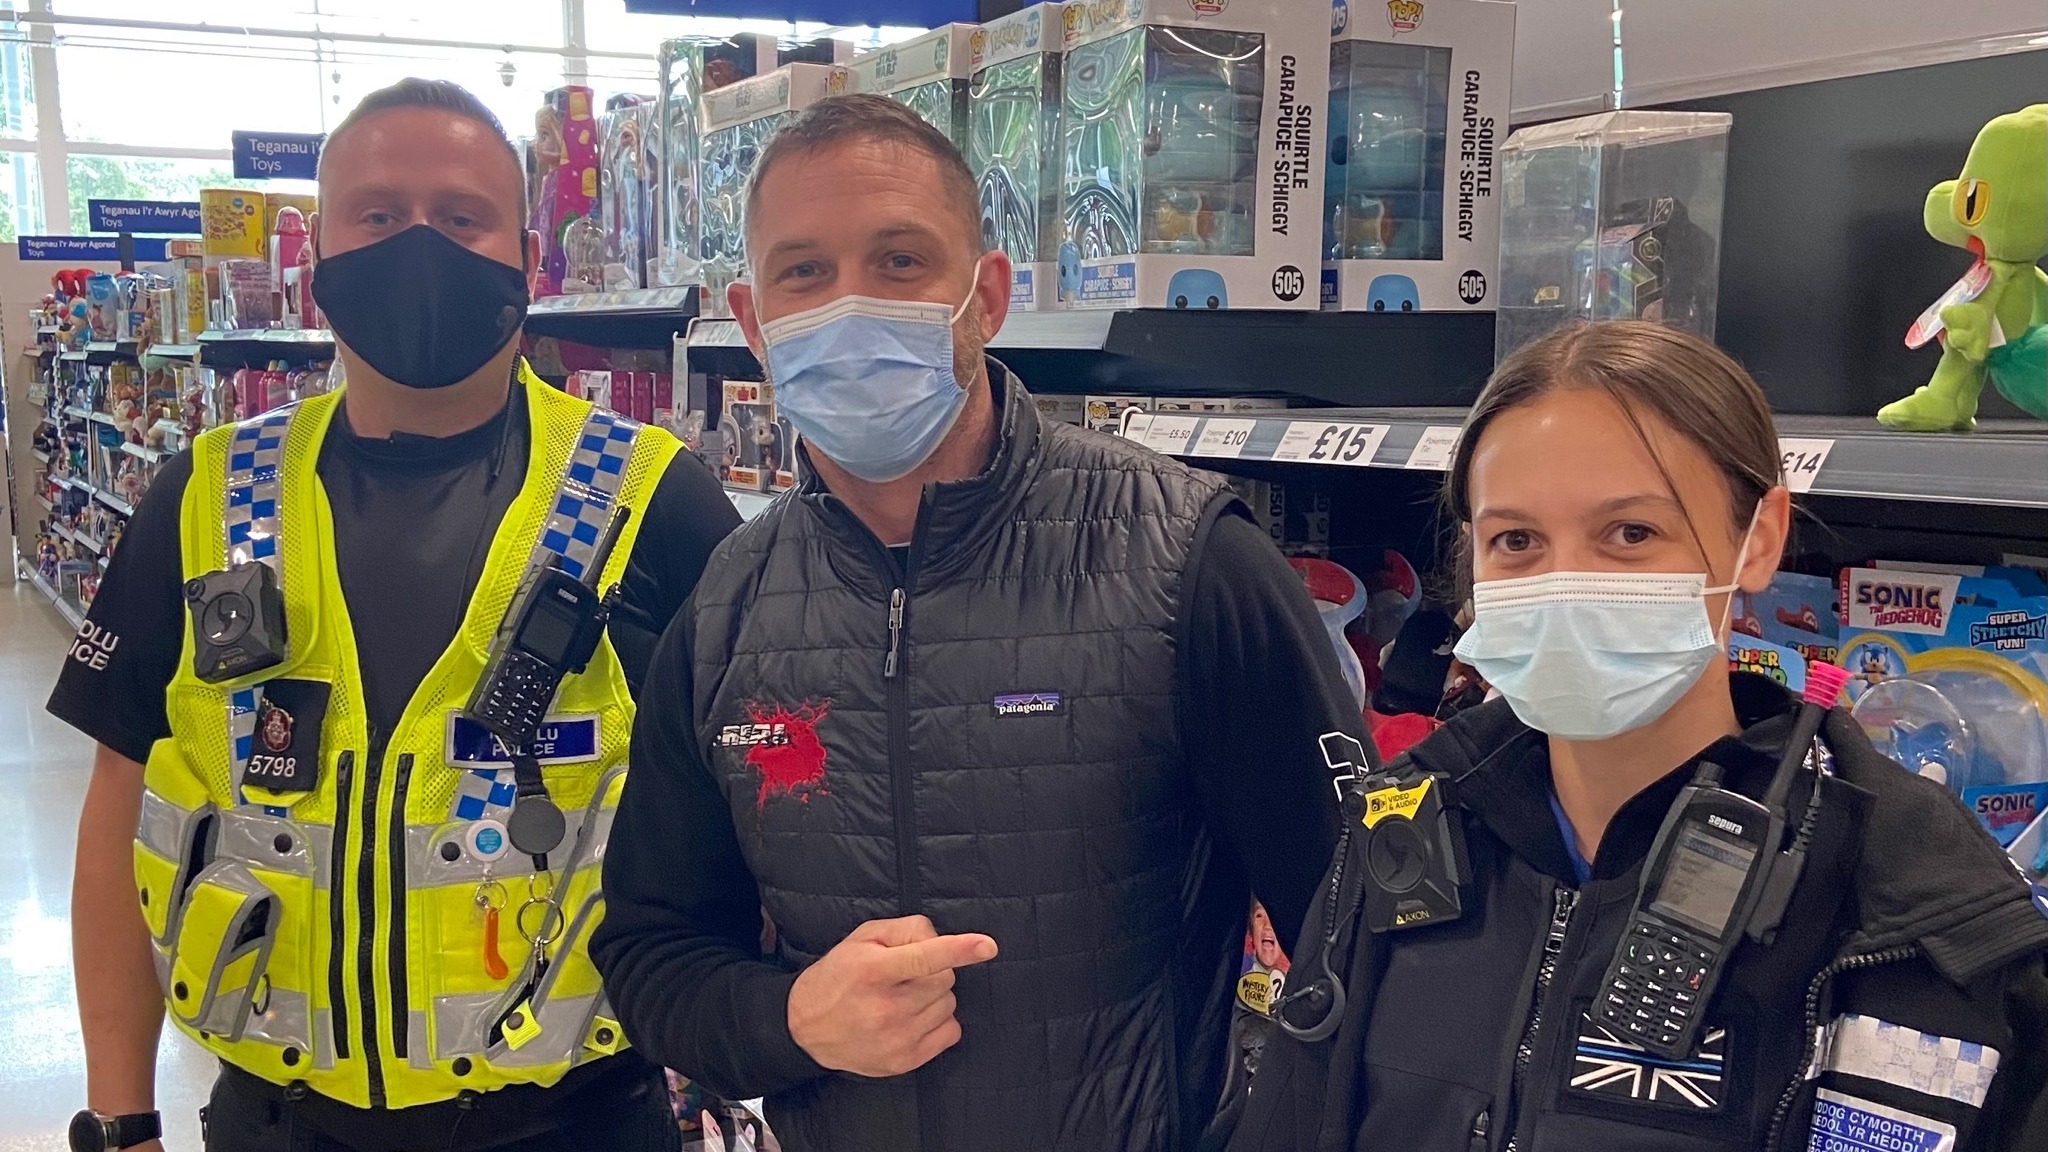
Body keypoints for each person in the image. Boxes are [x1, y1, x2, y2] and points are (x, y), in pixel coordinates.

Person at [591, 94, 1357, 1152]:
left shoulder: (1187, 562)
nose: (850, 305)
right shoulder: (724, 610)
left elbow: (1362, 940)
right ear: (755, 322)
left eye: (900, 262)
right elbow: (651, 952)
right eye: (804, 272)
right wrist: (788, 1022)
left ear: (984, 296)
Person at [52, 78, 740, 1152]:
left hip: (578, 1121)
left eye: (460, 217)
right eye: (377, 215)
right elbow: (119, 806)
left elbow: (757, 796)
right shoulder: (200, 495)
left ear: (525, 256)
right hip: (279, 1122)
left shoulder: (656, 498)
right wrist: (121, 1113)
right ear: (318, 253)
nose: (418, 244)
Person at [1225, 321, 2048, 1152]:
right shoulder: (1407, 828)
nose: (1565, 582)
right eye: (1517, 541)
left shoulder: (1914, 907)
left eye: (1630, 534)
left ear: (1757, 537)